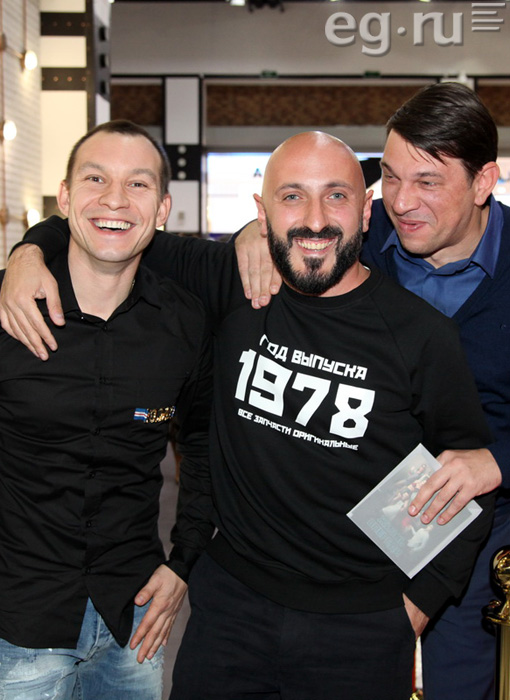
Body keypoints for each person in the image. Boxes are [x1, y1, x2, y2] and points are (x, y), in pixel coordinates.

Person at [0, 130, 495, 700]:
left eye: (336, 196)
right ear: (262, 213)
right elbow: (109, 223)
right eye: (292, 196)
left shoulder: (421, 334)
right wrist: (26, 254)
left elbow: (470, 475)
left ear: (366, 211)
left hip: (362, 625)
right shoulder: (232, 286)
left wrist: (420, 602)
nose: (314, 220)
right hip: (228, 615)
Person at [233, 82, 508, 700]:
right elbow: (296, 213)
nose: (401, 202)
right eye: (390, 176)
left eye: (428, 182)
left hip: (472, 516)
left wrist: (497, 460)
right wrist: (254, 233)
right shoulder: (358, 228)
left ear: (484, 182)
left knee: (455, 681)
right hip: (346, 513)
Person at [0, 120, 213, 699]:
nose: (115, 200)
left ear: (162, 209)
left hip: (132, 621)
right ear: (65, 198)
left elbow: (202, 448)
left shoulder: (185, 323)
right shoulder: (8, 312)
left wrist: (183, 563)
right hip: (17, 625)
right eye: (96, 179)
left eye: (137, 184)